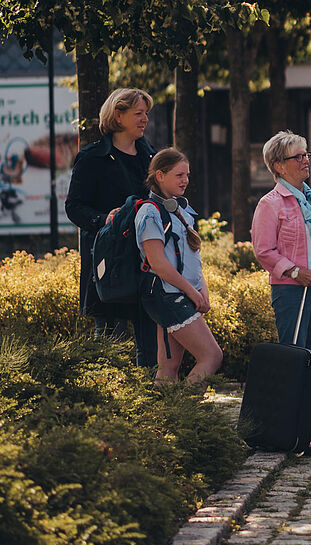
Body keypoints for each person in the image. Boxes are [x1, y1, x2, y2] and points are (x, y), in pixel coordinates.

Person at [251, 130, 311, 457]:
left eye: (306, 155)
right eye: (297, 157)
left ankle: (306, 431)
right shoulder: (270, 204)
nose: (305, 161)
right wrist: (293, 271)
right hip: (291, 291)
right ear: (278, 165)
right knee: (294, 358)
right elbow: (263, 250)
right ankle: (287, 431)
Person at [65, 88, 158, 367]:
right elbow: (74, 207)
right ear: (118, 115)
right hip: (111, 263)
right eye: (138, 114)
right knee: (109, 347)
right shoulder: (92, 158)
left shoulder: (151, 157)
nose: (145, 120)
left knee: (149, 345)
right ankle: (109, 403)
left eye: (146, 114)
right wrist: (104, 219)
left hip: (146, 261)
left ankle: (149, 401)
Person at [137, 148, 223, 384]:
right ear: (159, 175)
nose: (185, 180)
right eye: (179, 175)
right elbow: (159, 265)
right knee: (211, 356)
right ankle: (188, 412)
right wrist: (192, 291)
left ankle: (168, 419)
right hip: (166, 296)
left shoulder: (182, 210)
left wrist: (202, 289)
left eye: (187, 174)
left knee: (168, 367)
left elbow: (192, 259)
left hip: (180, 294)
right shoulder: (149, 212)